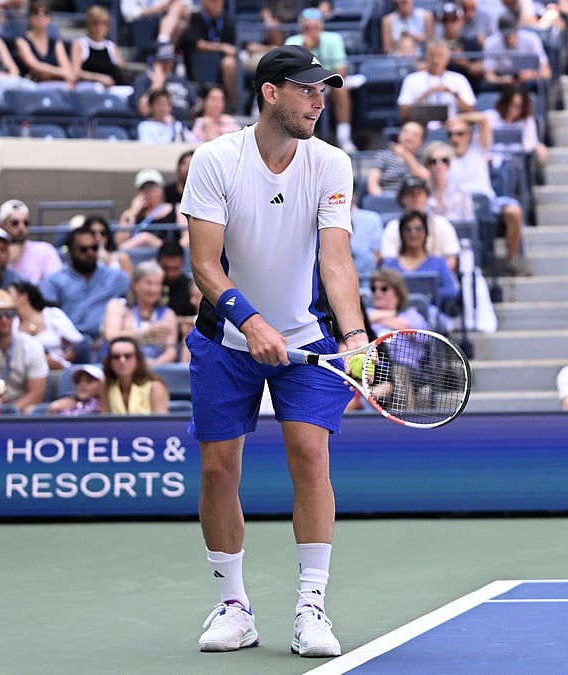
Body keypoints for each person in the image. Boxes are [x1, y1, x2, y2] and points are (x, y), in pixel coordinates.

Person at [180, 45, 366, 658]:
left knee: (310, 457)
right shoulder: (215, 159)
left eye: (324, 89)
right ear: (270, 92)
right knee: (217, 469)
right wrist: (250, 321)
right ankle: (233, 605)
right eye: (307, 88)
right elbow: (204, 264)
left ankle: (311, 606)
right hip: (225, 338)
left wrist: (356, 337)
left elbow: (335, 260)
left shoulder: (331, 164)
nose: (320, 99)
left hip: (308, 336)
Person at [445, 111, 528, 275]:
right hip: (458, 208)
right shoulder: (442, 156)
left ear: (469, 135)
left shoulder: (479, 147)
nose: (455, 138)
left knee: (514, 211)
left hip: (488, 203)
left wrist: (457, 118)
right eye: (451, 134)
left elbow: (483, 119)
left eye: (460, 133)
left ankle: (511, 261)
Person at [40, 224, 131, 355]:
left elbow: (135, 299)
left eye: (94, 248)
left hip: (107, 345)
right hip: (70, 347)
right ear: (70, 252)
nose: (90, 253)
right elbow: (47, 316)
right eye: (83, 249)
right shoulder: (55, 281)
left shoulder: (114, 276)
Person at [286, 7, 357, 153]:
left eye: (315, 27)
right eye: (307, 27)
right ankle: (296, 137)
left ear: (322, 27)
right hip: (301, 85)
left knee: (341, 89)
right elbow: (289, 72)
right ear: (301, 28)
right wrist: (306, 48)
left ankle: (344, 138)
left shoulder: (333, 39)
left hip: (328, 83)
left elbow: (341, 71)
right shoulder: (292, 41)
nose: (312, 31)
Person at [102, 260, 180, 364]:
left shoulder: (168, 314)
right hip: (118, 365)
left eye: (158, 284)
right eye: (149, 283)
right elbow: (111, 336)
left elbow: (170, 352)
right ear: (135, 284)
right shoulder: (117, 306)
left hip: (154, 369)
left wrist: (150, 367)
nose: (154, 289)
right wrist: (144, 333)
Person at [379, 210, 460, 309]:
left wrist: (426, 297)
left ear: (426, 233)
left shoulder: (439, 263)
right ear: (401, 234)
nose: (413, 234)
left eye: (419, 229)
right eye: (408, 229)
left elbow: (451, 291)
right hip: (395, 315)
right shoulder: (389, 266)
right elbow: (379, 291)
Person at [380, 176, 461, 271]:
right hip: (401, 280)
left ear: (427, 197)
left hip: (435, 280)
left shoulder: (442, 224)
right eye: (410, 194)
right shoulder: (393, 227)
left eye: (419, 194)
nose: (416, 198)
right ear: (402, 199)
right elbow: (388, 261)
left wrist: (439, 275)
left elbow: (452, 258)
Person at [9, 279, 84, 370]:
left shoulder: (52, 314)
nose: (5, 298)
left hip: (60, 370)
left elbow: (78, 344)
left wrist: (61, 361)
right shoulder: (12, 323)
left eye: (9, 294)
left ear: (24, 297)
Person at [397, 40, 476, 122]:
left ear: (447, 58)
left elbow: (470, 110)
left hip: (452, 124)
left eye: (440, 56)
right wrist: (426, 94)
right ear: (427, 57)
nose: (436, 61)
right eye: (432, 56)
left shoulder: (459, 79)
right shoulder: (412, 79)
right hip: (421, 123)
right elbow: (403, 113)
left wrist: (453, 93)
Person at [181, 0, 239, 105]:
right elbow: (197, 43)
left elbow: (233, 48)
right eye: (214, 1)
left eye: (220, 1)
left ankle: (234, 103)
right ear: (204, 2)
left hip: (221, 65)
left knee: (229, 63)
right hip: (198, 63)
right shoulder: (195, 18)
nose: (218, 4)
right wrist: (221, 47)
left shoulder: (227, 21)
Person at [0, 199, 63, 285]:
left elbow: (57, 284)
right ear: (3, 226)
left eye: (26, 223)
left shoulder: (45, 250)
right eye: (15, 223)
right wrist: (5, 261)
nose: (21, 227)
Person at [118, 168, 187, 248]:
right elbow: (120, 243)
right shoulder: (129, 214)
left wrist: (169, 250)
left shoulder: (176, 210)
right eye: (144, 188)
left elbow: (187, 238)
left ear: (161, 189)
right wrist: (132, 213)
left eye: (153, 187)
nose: (148, 192)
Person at [99, 336, 169, 413]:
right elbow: (105, 421)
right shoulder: (105, 385)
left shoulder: (155, 387)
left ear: (138, 359)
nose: (122, 361)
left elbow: (162, 423)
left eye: (128, 356)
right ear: (109, 361)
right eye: (116, 357)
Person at [481, 14, 552, 88]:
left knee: (543, 84)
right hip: (502, 85)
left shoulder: (531, 39)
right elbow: (488, 76)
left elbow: (546, 72)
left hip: (528, 83)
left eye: (511, 33)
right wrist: (501, 80)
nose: (508, 38)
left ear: (517, 29)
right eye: (505, 35)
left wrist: (532, 74)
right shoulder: (491, 43)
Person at [13, 1, 72, 86]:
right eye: (36, 13)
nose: (41, 17)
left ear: (50, 18)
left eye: (45, 13)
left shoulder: (55, 42)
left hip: (54, 84)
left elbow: (66, 68)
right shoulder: (21, 41)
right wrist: (60, 72)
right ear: (29, 18)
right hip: (30, 84)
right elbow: (34, 65)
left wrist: (52, 73)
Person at [132, 43, 196, 121]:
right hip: (157, 124)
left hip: (184, 123)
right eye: (163, 61)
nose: (168, 65)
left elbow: (195, 105)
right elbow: (144, 110)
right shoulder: (143, 80)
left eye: (170, 61)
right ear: (154, 61)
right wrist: (156, 85)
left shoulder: (180, 80)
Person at [365, 121, 429, 197]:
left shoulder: (424, 158)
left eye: (415, 134)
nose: (409, 136)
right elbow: (372, 184)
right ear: (399, 135)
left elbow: (428, 178)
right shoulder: (383, 155)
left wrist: (407, 156)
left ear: (422, 142)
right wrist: (381, 198)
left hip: (414, 199)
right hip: (387, 197)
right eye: (406, 132)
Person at [71, 5, 127, 90]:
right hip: (89, 89)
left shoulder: (111, 46)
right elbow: (75, 72)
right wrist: (98, 78)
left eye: (103, 24)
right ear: (89, 25)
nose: (99, 28)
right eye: (95, 24)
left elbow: (120, 68)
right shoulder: (81, 44)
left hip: (113, 89)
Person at [368, 267, 430, 335]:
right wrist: (393, 314)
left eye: (384, 288)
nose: (377, 292)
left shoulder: (412, 315)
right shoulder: (367, 312)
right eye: (373, 288)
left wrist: (376, 319)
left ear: (398, 292)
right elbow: (365, 320)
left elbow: (422, 336)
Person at [156, 239, 196, 317]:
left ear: (182, 263)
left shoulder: (191, 288)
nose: (170, 274)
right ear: (158, 262)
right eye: (166, 268)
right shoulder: (149, 286)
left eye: (175, 268)